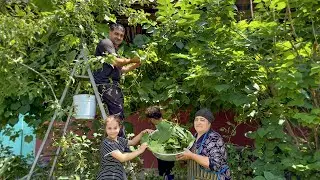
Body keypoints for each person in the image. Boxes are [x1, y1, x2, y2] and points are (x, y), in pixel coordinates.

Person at [93, 23, 141, 137]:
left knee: (117, 114)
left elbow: (122, 69)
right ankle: (119, 142)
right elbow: (115, 61)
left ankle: (118, 141)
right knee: (117, 115)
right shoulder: (106, 43)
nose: (119, 37)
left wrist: (137, 63)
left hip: (112, 86)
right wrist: (132, 59)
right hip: (106, 85)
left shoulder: (114, 50)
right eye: (116, 34)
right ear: (110, 33)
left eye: (121, 35)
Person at [176, 108, 231, 180]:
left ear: (209, 123)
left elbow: (215, 165)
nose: (198, 122)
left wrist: (191, 156)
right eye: (196, 119)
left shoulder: (214, 138)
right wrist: (184, 158)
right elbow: (192, 157)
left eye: (202, 120)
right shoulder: (194, 137)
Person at [97, 115, 153, 180]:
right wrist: (140, 150)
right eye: (109, 128)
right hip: (107, 177)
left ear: (120, 127)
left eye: (115, 128)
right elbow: (122, 158)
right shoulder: (107, 143)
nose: (112, 131)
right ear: (105, 128)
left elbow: (132, 142)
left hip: (117, 176)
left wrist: (142, 133)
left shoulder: (119, 140)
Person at [145, 106, 175, 180]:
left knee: (167, 174)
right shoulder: (164, 124)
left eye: (150, 119)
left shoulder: (164, 126)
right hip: (166, 155)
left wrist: (150, 146)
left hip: (167, 156)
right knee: (166, 173)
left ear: (152, 119)